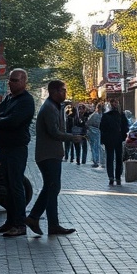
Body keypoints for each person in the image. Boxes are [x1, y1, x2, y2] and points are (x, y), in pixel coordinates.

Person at [25, 79, 82, 236]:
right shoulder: (49, 108)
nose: (65, 93)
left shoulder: (55, 107)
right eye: (63, 90)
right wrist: (72, 137)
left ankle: (35, 218)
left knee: (51, 187)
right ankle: (51, 224)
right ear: (54, 92)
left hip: (51, 154)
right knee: (53, 187)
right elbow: (54, 132)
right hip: (48, 154)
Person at [0, 68, 36, 237]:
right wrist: (0, 121)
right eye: (10, 80)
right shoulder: (8, 99)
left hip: (16, 148)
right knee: (7, 186)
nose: (10, 83)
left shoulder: (26, 101)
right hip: (4, 146)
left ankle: (20, 224)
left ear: (23, 82)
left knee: (16, 186)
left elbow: (13, 122)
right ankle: (10, 221)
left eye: (15, 80)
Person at [100, 99, 128, 186]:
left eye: (116, 102)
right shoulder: (120, 115)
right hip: (116, 139)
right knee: (116, 158)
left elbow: (102, 128)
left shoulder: (108, 115)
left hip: (111, 139)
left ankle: (113, 177)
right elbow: (125, 127)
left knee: (112, 158)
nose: (115, 104)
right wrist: (123, 136)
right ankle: (116, 177)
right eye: (114, 103)